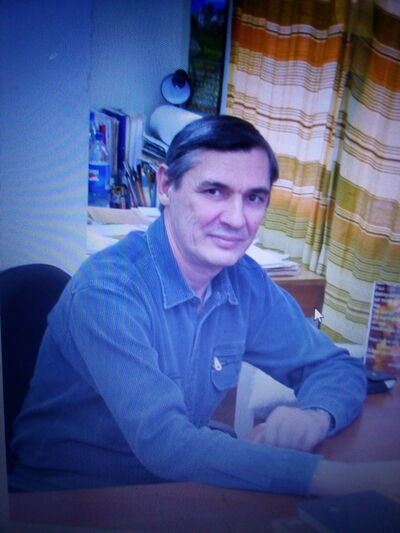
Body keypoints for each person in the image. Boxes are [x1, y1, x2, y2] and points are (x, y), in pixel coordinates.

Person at [9, 116, 399, 497]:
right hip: (70, 500)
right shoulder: (108, 291)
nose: (236, 219)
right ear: (166, 185)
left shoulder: (244, 279)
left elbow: (334, 366)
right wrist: (338, 479)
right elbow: (165, 444)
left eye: (254, 198)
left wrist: (315, 416)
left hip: (179, 488)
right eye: (214, 191)